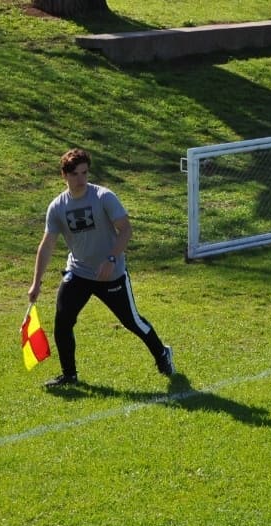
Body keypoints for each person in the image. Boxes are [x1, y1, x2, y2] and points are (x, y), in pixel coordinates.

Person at [29, 148, 174, 388]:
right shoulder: (57, 207)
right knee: (63, 321)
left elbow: (126, 230)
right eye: (75, 174)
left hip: (110, 273)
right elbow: (46, 246)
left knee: (131, 321)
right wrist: (36, 282)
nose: (81, 179)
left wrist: (112, 258)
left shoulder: (103, 197)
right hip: (78, 272)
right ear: (64, 175)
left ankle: (162, 353)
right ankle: (69, 375)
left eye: (85, 173)